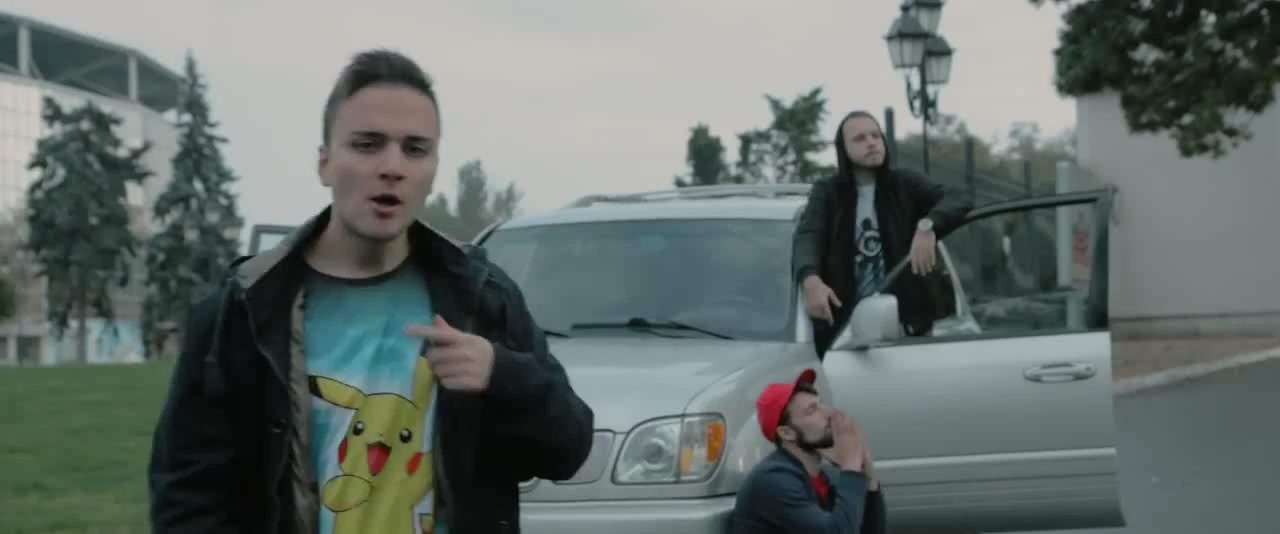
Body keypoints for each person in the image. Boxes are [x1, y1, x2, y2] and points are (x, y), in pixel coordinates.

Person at [146, 49, 595, 534]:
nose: (392, 167)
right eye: (367, 145)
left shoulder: (482, 297)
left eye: (415, 149)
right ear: (325, 163)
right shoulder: (246, 310)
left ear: (432, 168)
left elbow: (567, 450)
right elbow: (188, 501)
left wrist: (502, 375)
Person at [792, 110, 974, 354]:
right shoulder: (827, 192)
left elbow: (961, 198)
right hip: (844, 332)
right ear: (843, 149)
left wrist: (927, 225)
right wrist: (810, 280)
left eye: (876, 136)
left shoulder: (905, 184)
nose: (871, 142)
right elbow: (808, 235)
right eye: (860, 138)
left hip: (908, 328)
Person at [731, 369, 887, 533]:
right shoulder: (772, 481)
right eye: (812, 410)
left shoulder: (824, 477)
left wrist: (865, 466)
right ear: (787, 433)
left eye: (821, 404)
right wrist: (851, 466)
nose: (829, 413)